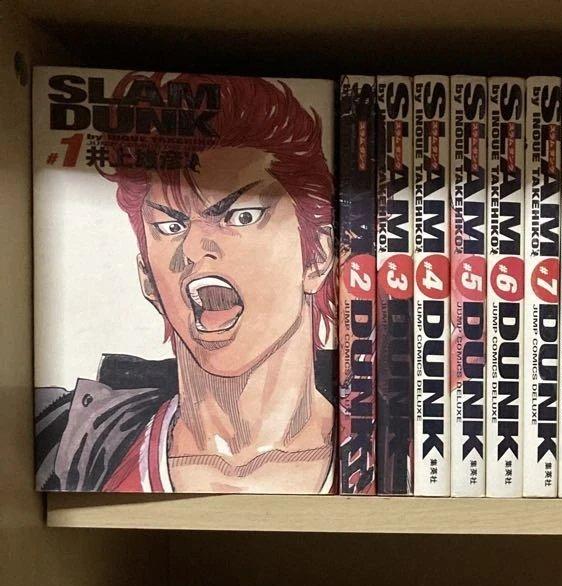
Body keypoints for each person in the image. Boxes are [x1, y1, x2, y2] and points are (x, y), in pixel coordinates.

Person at [35, 72, 336, 493]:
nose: (194, 248)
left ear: (317, 256)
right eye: (170, 225)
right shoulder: (62, 441)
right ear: (147, 276)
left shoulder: (385, 455)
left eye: (242, 216)